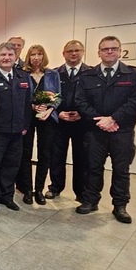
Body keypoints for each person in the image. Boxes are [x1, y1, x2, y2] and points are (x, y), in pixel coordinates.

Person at [75, 36, 136, 224]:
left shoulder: (133, 74)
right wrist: (100, 120)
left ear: (120, 51)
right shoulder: (88, 76)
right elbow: (80, 101)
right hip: (95, 130)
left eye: (113, 49)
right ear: (98, 52)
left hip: (121, 131)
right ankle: (91, 200)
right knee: (93, 168)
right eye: (105, 49)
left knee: (121, 169)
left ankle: (120, 205)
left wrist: (113, 119)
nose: (109, 52)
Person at [0, 42, 32, 212]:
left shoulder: (23, 77)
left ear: (16, 57)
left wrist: (25, 125)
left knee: (12, 165)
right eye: (3, 55)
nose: (6, 58)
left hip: (17, 131)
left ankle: (7, 196)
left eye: (10, 55)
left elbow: (27, 104)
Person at [16, 45, 61, 205]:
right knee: (25, 153)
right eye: (33, 54)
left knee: (45, 154)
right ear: (28, 57)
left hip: (47, 118)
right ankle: (27, 189)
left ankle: (39, 190)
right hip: (27, 117)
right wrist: (32, 106)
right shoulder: (23, 74)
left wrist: (49, 109)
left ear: (43, 56)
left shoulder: (53, 74)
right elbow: (20, 95)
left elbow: (58, 96)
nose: (36, 57)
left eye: (39, 54)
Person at [47, 40, 91, 201]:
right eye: (70, 51)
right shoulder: (54, 73)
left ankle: (81, 192)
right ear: (63, 53)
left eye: (77, 50)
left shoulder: (91, 73)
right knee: (56, 156)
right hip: (59, 122)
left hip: (82, 122)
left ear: (83, 52)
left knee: (82, 158)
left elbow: (92, 99)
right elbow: (49, 96)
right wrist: (57, 113)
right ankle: (55, 187)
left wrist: (82, 113)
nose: (73, 53)